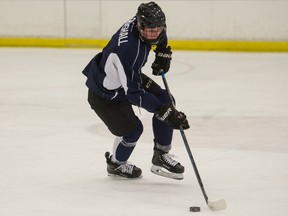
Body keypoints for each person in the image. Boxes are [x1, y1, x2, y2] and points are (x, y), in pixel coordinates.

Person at [82, 1, 189, 180]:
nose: (154, 35)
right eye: (150, 31)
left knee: (165, 99)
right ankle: (116, 164)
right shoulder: (128, 49)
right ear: (139, 26)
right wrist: (164, 112)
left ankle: (161, 155)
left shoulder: (148, 22)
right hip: (106, 94)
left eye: (158, 30)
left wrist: (162, 51)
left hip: (127, 79)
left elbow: (159, 32)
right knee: (134, 130)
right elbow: (133, 94)